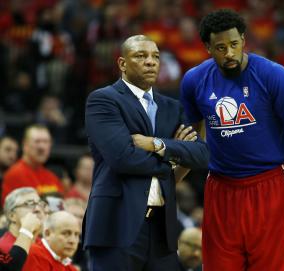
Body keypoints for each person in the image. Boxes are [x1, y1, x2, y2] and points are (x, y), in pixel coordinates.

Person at [180, 9, 284, 271]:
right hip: (221, 190)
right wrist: (164, 185)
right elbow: (192, 144)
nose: (230, 53)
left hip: (271, 188)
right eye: (221, 47)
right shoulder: (194, 81)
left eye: (234, 44)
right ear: (207, 48)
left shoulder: (273, 75)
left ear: (244, 40)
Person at [83, 34, 209, 271]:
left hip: (163, 230)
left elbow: (201, 155)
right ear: (122, 63)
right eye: (141, 56)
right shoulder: (103, 100)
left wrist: (157, 145)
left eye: (155, 57)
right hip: (116, 226)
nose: (150, 62)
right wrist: (172, 160)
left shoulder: (173, 107)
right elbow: (123, 158)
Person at [1, 125, 64, 205]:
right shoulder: (14, 174)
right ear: (25, 145)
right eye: (37, 141)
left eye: (46, 142)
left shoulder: (52, 177)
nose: (42, 147)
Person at [0, 187, 46, 254]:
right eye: (30, 204)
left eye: (40, 204)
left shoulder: (46, 244)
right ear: (12, 216)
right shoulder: (3, 249)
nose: (38, 209)